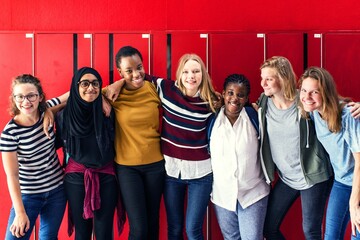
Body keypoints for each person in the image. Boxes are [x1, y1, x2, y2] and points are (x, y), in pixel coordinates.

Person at [106, 48, 218, 240]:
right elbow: (137, 76)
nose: (191, 76)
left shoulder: (212, 101)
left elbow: (236, 104)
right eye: (186, 71)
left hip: (191, 172)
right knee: (161, 229)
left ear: (203, 74)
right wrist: (117, 83)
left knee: (187, 229)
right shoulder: (166, 89)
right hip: (165, 171)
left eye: (196, 71)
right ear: (179, 74)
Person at [257, 56, 334, 240]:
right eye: (262, 78)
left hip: (313, 176)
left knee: (310, 230)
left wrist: (354, 106)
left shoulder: (304, 100)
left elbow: (331, 105)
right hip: (287, 178)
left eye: (269, 78)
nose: (263, 83)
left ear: (282, 78)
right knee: (269, 227)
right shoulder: (264, 102)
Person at [103, 46, 165, 240]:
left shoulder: (154, 88)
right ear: (120, 72)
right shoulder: (111, 93)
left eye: (139, 67)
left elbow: (187, 92)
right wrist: (46, 110)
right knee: (139, 229)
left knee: (153, 223)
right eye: (129, 71)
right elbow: (77, 95)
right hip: (127, 168)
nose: (136, 74)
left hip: (156, 165)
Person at [56, 67, 122, 240]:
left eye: (95, 84)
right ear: (76, 87)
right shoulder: (63, 116)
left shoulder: (107, 112)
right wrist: (49, 111)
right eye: (85, 83)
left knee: (104, 232)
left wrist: (102, 97)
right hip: (76, 178)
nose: (90, 88)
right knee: (82, 233)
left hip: (106, 176)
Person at [0, 74, 66, 240]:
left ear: (40, 97)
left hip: (57, 190)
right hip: (28, 195)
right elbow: (12, 176)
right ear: (14, 98)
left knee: (49, 237)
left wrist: (50, 110)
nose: (26, 101)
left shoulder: (46, 111)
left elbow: (78, 92)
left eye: (31, 95)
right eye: (20, 96)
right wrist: (20, 213)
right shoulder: (10, 134)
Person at [298, 66, 360, 240]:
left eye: (314, 92)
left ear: (326, 92)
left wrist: (354, 203)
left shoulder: (347, 115)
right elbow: (283, 93)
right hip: (342, 182)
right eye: (304, 90)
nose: (307, 97)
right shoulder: (314, 112)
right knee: (331, 237)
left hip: (358, 181)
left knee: (357, 234)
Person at [209, 74, 270, 240]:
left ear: (246, 98)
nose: (234, 98)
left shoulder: (254, 117)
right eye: (230, 93)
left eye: (240, 95)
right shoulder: (213, 120)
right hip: (223, 196)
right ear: (223, 94)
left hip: (253, 193)